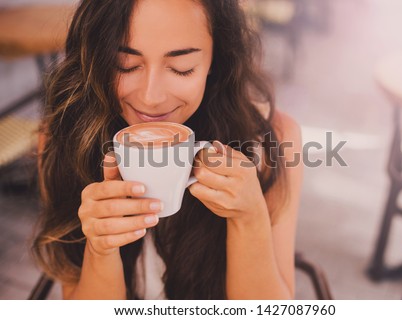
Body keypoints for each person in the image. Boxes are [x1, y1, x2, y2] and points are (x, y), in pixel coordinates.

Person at [32, 0, 302, 300]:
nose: (151, 98)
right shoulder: (67, 138)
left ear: (216, 60)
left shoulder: (271, 142)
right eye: (126, 65)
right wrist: (101, 249)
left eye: (181, 68)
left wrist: (250, 218)